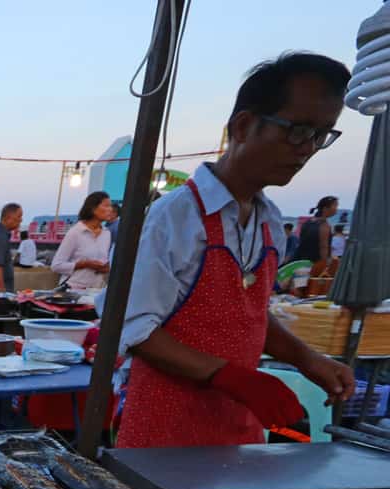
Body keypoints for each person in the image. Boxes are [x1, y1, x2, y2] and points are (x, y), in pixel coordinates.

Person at [115, 52, 356, 449]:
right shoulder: (173, 218)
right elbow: (134, 329)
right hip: (163, 431)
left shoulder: (269, 223)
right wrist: (234, 377)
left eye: (321, 135)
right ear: (243, 126)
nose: (307, 149)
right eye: (297, 130)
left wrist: (306, 358)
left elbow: (248, 317)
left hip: (238, 429)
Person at [50, 191, 113, 290]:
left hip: (95, 292)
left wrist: (105, 268)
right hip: (73, 291)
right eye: (106, 206)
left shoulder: (107, 233)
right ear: (93, 208)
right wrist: (84, 264)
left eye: (111, 206)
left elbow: (104, 262)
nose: (110, 209)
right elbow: (56, 266)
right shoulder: (75, 232)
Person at [293, 195, 338, 276]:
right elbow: (323, 248)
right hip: (315, 265)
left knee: (299, 285)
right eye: (335, 205)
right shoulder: (324, 225)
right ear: (325, 208)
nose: (336, 209)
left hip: (300, 262)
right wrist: (326, 267)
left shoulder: (308, 222)